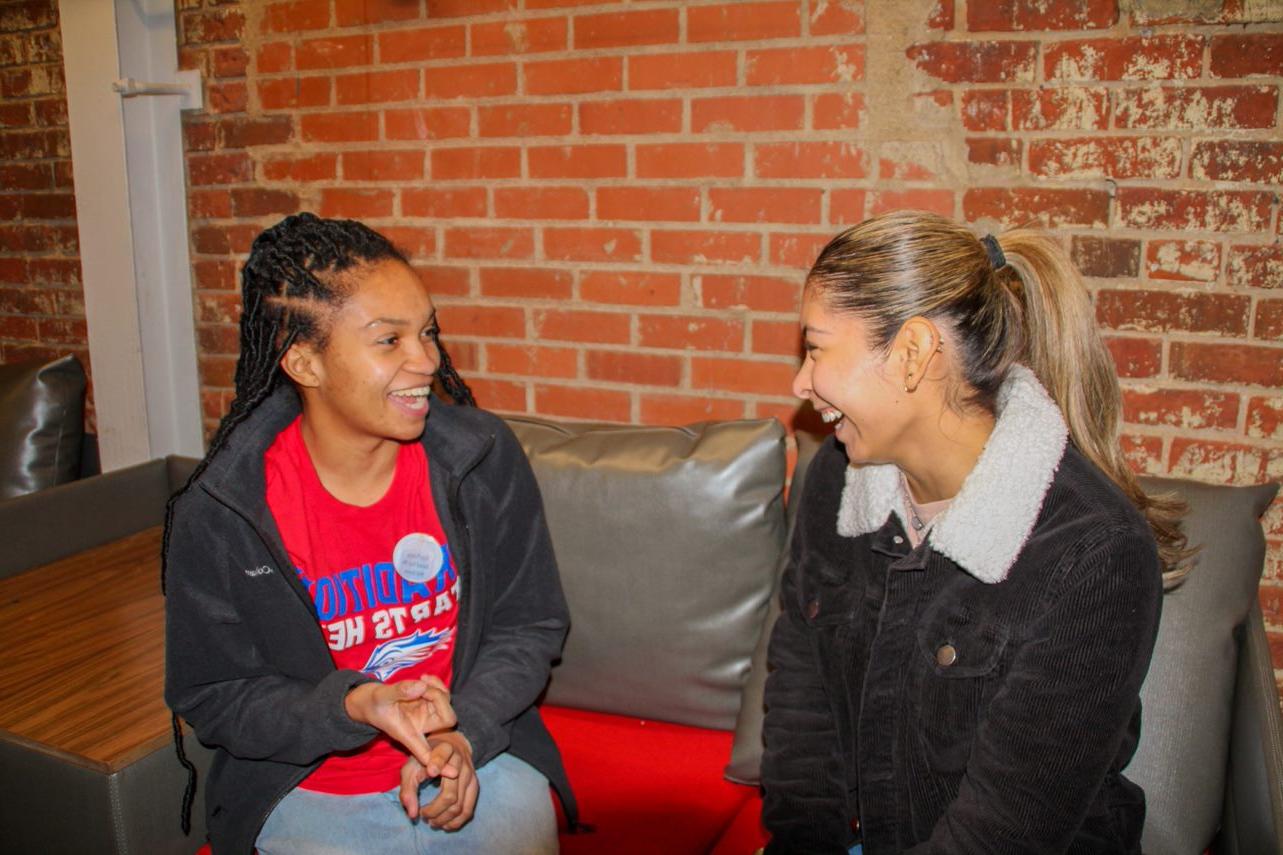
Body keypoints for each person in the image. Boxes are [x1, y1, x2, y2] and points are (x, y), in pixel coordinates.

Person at [761, 210, 1189, 854]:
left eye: (816, 348)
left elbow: (1008, 829)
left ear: (911, 353)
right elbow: (801, 696)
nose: (800, 381)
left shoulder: (1094, 553)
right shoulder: (836, 477)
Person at [163, 213, 572, 855]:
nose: (428, 359)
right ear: (304, 361)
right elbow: (215, 694)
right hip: (303, 788)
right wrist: (350, 706)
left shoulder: (482, 461)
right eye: (390, 341)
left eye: (428, 331)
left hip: (479, 758)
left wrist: (464, 735)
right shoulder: (224, 510)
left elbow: (530, 625)